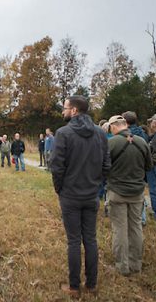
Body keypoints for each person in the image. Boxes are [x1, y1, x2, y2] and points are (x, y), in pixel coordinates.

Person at [50, 95, 111, 297]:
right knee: (91, 239)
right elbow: (106, 165)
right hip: (91, 194)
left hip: (72, 195)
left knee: (74, 241)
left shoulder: (63, 133)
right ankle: (91, 285)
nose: (63, 111)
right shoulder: (100, 134)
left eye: (65, 108)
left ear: (74, 111)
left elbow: (56, 166)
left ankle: (75, 287)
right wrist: (97, 185)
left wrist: (60, 189)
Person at [107, 115, 152, 276]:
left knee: (119, 229)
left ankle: (122, 266)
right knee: (136, 227)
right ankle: (136, 264)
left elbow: (102, 167)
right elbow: (149, 166)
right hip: (137, 193)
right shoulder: (142, 142)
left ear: (112, 127)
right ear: (125, 124)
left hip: (117, 192)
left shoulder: (111, 143)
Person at [122, 111, 150, 225]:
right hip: (140, 166)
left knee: (126, 194)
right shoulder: (143, 133)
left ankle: (132, 218)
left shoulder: (126, 135)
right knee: (140, 193)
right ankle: (142, 218)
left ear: (125, 122)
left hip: (128, 166)